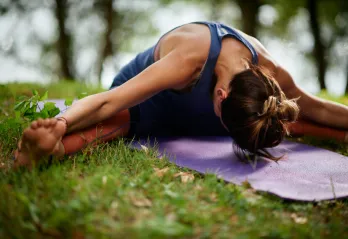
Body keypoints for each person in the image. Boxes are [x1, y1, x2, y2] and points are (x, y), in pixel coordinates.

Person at [13, 21, 348, 169]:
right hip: (145, 105)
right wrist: (62, 120)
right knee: (112, 123)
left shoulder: (269, 72)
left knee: (277, 120)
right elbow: (109, 99)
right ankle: (53, 145)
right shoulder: (190, 59)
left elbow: (317, 107)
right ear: (219, 95)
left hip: (204, 116)